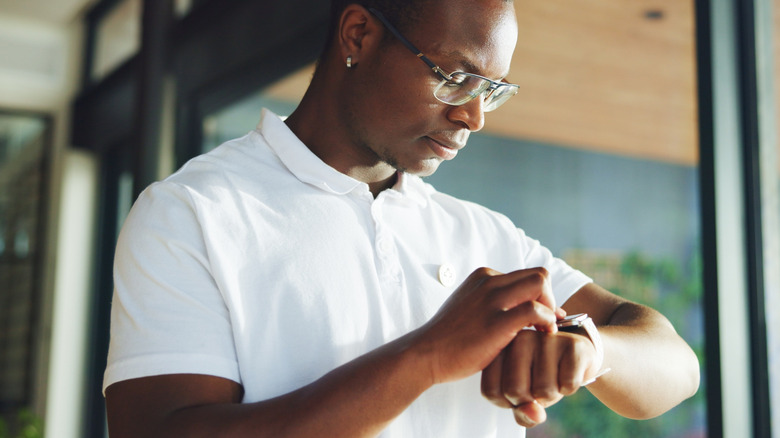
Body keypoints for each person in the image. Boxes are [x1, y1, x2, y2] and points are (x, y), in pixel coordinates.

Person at [103, 0, 700, 436]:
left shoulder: (483, 235)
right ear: (359, 34)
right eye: (455, 77)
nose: (474, 117)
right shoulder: (193, 213)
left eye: (491, 89)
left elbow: (675, 367)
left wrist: (590, 351)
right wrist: (429, 357)